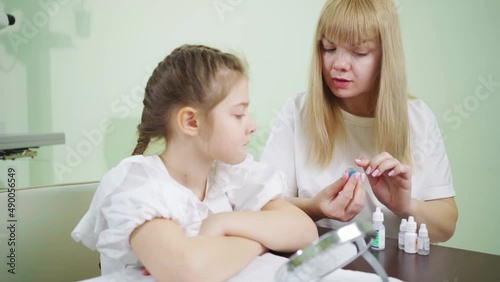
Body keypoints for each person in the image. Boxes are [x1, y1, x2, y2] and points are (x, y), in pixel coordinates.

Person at [71, 45, 318, 282]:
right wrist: (260, 241)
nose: (252, 125)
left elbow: (304, 231)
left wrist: (223, 223)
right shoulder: (137, 184)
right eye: (238, 114)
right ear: (191, 122)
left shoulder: (230, 175)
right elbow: (189, 271)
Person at [260, 0, 458, 243]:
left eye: (359, 52)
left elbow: (446, 226)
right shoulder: (297, 111)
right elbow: (263, 205)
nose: (338, 65)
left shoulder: (418, 118)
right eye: (329, 48)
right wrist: (316, 207)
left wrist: (405, 206)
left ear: (385, 57)